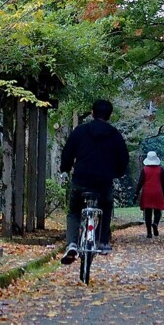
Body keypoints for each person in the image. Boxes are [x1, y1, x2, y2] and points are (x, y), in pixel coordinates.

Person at [59, 99, 129, 264]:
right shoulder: (114, 135)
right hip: (103, 181)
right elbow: (124, 159)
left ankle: (72, 243)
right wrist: (116, 173)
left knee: (75, 211)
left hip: (81, 178)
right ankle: (103, 241)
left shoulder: (80, 131)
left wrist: (65, 168)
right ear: (110, 116)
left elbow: (68, 153)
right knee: (105, 207)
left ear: (92, 113)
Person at [135, 151, 164, 238]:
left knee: (147, 213)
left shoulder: (144, 170)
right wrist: (163, 194)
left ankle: (149, 232)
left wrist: (136, 193)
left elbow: (140, 183)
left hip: (147, 192)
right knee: (158, 211)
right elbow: (163, 183)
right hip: (157, 191)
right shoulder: (160, 170)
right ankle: (155, 223)